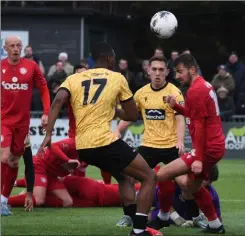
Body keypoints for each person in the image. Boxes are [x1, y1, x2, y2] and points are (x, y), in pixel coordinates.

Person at [38, 42, 159, 236]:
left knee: (124, 176)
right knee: (150, 176)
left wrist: (49, 134)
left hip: (83, 146)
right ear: (110, 59)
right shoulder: (117, 78)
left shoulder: (74, 77)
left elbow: (58, 101)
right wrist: (114, 111)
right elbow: (131, 115)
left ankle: (130, 217)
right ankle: (139, 229)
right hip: (104, 142)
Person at [114, 56, 186, 229]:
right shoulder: (140, 93)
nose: (157, 73)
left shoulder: (174, 92)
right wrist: (117, 130)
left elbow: (180, 118)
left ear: (167, 72)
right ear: (148, 71)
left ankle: (200, 215)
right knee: (127, 178)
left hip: (170, 146)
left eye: (161, 70)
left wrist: (180, 140)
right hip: (148, 146)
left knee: (185, 183)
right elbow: (131, 115)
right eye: (154, 69)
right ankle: (130, 216)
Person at [158, 53, 225, 234]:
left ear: (192, 69)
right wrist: (177, 107)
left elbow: (200, 125)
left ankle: (163, 217)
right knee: (191, 186)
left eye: (180, 72)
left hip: (208, 148)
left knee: (162, 174)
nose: (178, 76)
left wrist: (198, 158)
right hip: (214, 146)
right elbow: (194, 114)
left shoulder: (196, 90)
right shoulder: (203, 84)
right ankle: (215, 225)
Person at [1, 36, 50, 216]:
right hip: (3, 120)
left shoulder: (31, 66)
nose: (15, 48)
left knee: (14, 161)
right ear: (5, 48)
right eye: (12, 46)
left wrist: (46, 112)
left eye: (18, 46)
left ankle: (3, 201)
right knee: (5, 157)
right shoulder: (1, 66)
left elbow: (44, 88)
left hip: (22, 124)